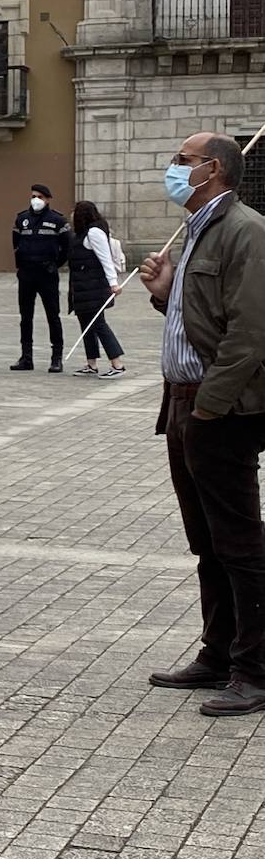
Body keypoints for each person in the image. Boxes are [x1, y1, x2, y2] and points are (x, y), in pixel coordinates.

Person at [141, 132, 265, 717]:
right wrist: (165, 294)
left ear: (212, 169)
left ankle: (254, 669)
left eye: (181, 161)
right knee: (206, 541)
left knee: (239, 543)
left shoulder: (245, 230)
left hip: (220, 407)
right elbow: (201, 318)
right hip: (182, 401)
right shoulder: (197, 228)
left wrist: (211, 406)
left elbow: (248, 334)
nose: (172, 169)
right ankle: (218, 652)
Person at [11, 183, 71, 373]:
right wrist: (20, 265)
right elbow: (16, 245)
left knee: (52, 316)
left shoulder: (57, 221)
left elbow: (66, 248)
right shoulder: (22, 219)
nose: (36, 200)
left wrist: (55, 265)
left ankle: (56, 358)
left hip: (47, 274)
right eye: (33, 196)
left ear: (47, 199)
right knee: (25, 317)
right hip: (27, 273)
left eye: (39, 197)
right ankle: (26, 357)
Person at [68, 200, 126, 379]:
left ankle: (117, 363)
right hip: (82, 287)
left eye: (74, 211)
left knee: (98, 324)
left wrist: (113, 283)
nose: (71, 215)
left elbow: (105, 259)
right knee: (86, 324)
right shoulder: (81, 234)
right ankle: (91, 363)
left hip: (94, 287)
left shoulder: (94, 233)